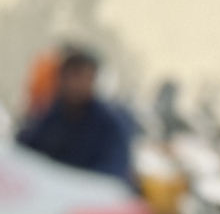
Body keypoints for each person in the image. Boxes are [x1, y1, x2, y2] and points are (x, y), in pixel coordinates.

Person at [15, 44, 134, 186]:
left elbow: (113, 173)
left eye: (83, 76)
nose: (76, 84)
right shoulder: (52, 116)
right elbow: (24, 150)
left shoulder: (110, 125)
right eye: (71, 75)